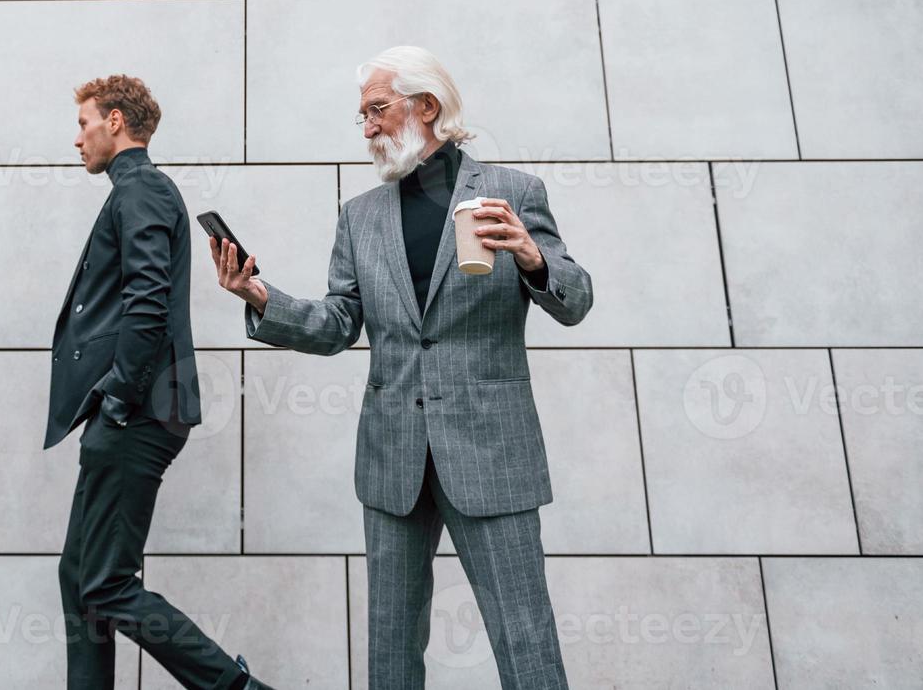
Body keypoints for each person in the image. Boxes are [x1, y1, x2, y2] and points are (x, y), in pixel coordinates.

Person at [211, 47, 593, 689]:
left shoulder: (513, 192)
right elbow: (338, 323)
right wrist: (261, 298)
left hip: (490, 452)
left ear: (427, 107)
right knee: (389, 648)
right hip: (392, 458)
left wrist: (531, 257)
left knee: (524, 634)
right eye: (360, 115)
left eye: (377, 110)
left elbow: (576, 300)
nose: (366, 128)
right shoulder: (360, 217)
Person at [47, 74, 272, 690]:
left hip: (138, 410)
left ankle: (235, 688)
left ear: (115, 121)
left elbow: (148, 300)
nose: (77, 139)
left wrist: (117, 397)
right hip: (136, 407)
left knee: (108, 583)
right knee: (81, 577)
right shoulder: (136, 190)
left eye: (85, 123)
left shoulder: (140, 188)